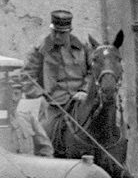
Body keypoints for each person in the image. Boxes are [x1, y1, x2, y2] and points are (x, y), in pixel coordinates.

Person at [22, 10, 91, 145]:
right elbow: (27, 77)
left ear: (69, 31)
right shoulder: (40, 50)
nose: (58, 36)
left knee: (109, 123)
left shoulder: (82, 47)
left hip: (81, 100)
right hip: (55, 103)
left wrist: (84, 90)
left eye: (62, 33)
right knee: (44, 135)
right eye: (55, 32)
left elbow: (93, 71)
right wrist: (40, 95)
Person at [6, 73, 53, 156]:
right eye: (9, 95)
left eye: (17, 94)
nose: (13, 98)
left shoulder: (29, 119)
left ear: (21, 96)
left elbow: (46, 149)